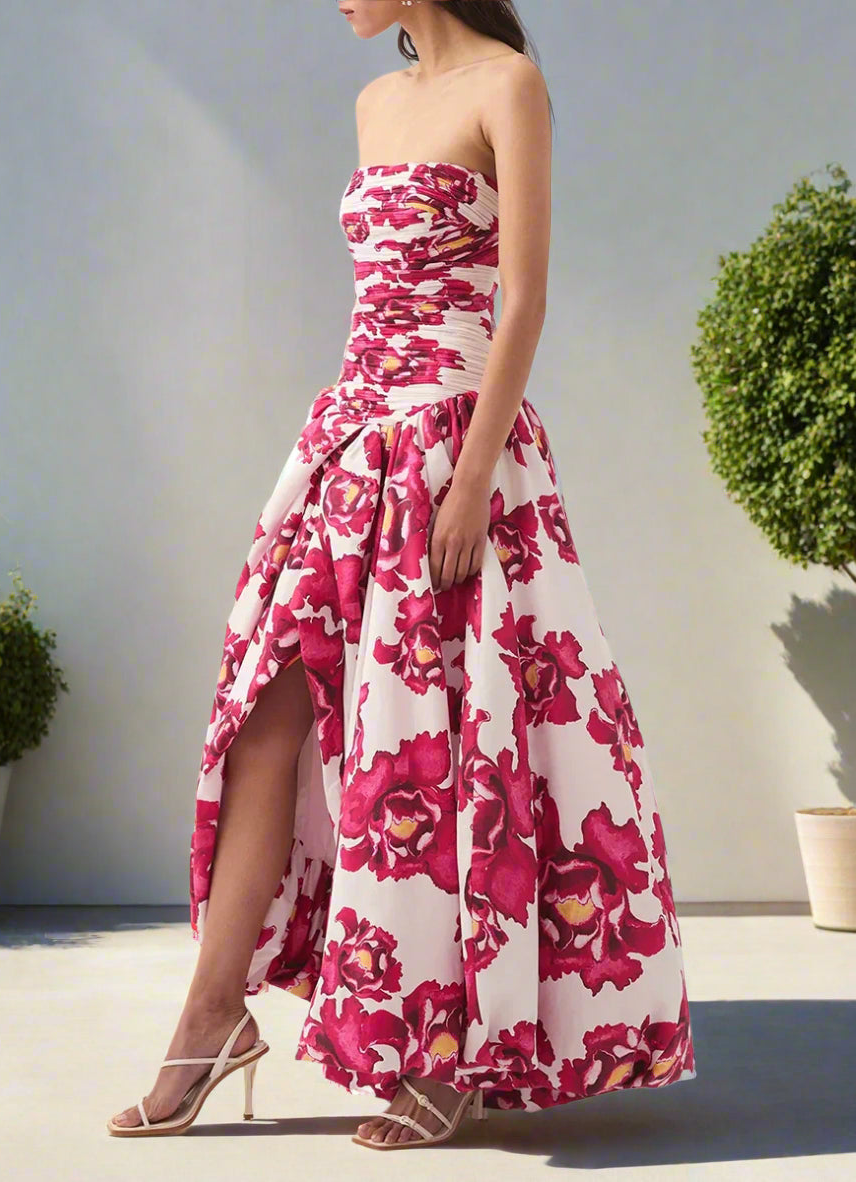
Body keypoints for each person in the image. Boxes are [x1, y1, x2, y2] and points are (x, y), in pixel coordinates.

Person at [108, 0, 696, 1150]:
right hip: (351, 444)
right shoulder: (376, 100)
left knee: (444, 744)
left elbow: (519, 300)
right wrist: (339, 449)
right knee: (269, 715)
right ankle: (212, 1014)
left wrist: (471, 480)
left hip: (457, 450)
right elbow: (375, 301)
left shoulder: (506, 88)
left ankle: (453, 1048)